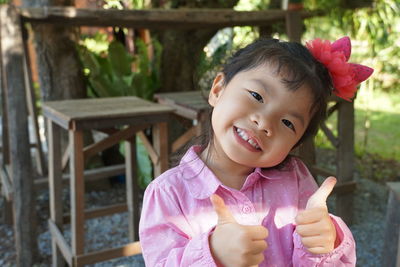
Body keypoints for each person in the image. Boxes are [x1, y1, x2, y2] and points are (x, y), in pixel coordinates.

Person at [139, 36, 373, 266]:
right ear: (218, 89)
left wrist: (323, 244)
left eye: (288, 123)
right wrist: (212, 254)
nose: (264, 123)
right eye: (256, 96)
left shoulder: (296, 180)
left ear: (295, 144)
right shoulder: (168, 194)